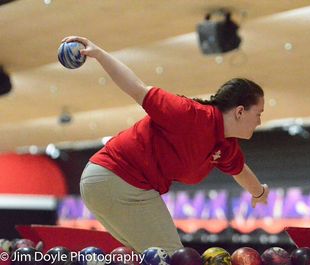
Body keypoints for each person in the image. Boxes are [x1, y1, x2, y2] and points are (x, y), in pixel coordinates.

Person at [63, 36, 269, 254]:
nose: (259, 121)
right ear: (239, 111)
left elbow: (240, 170)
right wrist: (99, 54)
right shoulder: (189, 115)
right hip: (120, 179)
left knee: (147, 257)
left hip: (110, 182)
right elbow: (136, 88)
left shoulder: (225, 146)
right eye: (258, 113)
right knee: (171, 257)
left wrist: (259, 193)